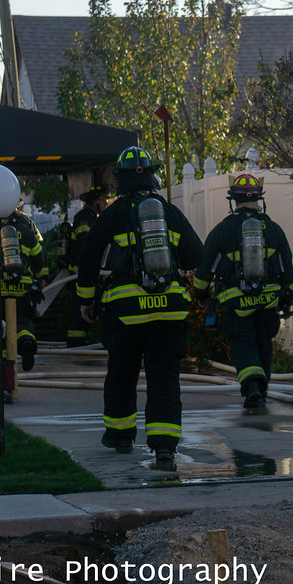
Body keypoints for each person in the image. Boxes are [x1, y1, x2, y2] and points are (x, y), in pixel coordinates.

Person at [76, 146, 203, 471]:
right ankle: (164, 450)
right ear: (151, 174)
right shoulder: (169, 212)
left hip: (127, 310)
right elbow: (195, 258)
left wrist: (86, 300)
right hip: (169, 310)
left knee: (122, 371)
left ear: (120, 180)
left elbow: (89, 255)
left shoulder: (113, 214)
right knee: (164, 378)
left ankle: (120, 436)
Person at [192, 173, 293, 409]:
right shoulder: (273, 230)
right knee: (264, 345)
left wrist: (202, 298)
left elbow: (204, 272)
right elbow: (286, 269)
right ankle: (261, 390)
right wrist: (287, 296)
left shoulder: (222, 232)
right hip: (267, 303)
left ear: (234, 201)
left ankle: (251, 387)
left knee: (243, 344)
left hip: (237, 304)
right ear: (259, 199)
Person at [0, 201, 48, 372]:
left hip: (0, 288)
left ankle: (6, 368)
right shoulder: (26, 229)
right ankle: (26, 343)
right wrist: (42, 277)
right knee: (24, 322)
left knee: (1, 326)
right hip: (23, 288)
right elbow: (38, 256)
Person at [66, 185, 108, 347]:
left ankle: (83, 343)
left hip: (92, 274)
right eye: (103, 200)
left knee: (90, 310)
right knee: (80, 313)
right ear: (95, 202)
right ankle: (76, 345)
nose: (105, 203)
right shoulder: (84, 219)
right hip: (80, 276)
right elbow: (87, 248)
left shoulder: (94, 218)